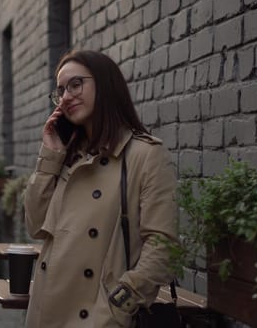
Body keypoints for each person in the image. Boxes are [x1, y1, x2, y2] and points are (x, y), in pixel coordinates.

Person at [23, 50, 179, 327]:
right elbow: (35, 225)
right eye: (60, 90)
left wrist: (119, 304)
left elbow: (162, 244)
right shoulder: (67, 154)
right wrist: (49, 155)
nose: (66, 96)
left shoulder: (144, 155)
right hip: (47, 310)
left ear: (105, 84)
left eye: (76, 84)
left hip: (98, 317)